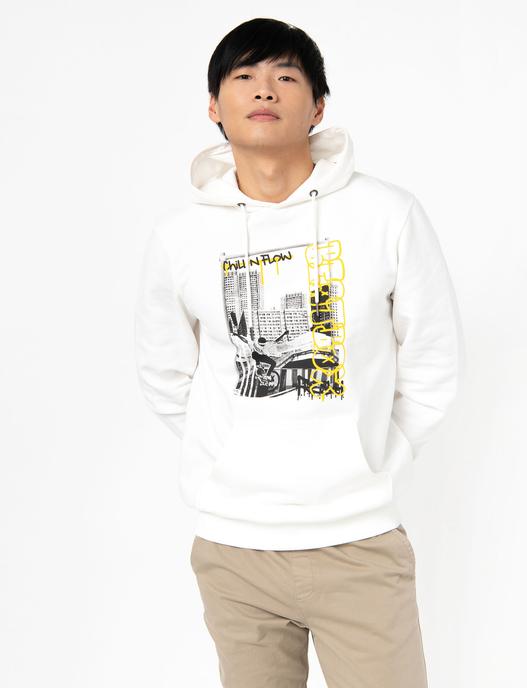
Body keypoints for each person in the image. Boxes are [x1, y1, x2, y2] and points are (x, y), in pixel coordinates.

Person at [134, 16, 465, 688]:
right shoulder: (180, 238)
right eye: (244, 76)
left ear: (317, 107)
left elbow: (433, 358)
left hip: (358, 542)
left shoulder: (386, 214)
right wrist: (228, 455)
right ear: (213, 106)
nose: (264, 90)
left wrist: (377, 458)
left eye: (285, 76)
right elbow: (164, 374)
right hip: (235, 550)